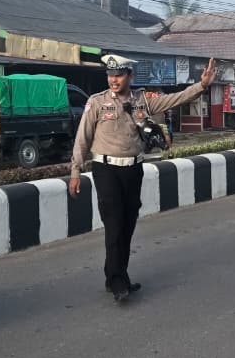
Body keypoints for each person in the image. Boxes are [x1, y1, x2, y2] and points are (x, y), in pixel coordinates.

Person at [69, 54, 218, 302]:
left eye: (119, 75)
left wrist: (201, 85)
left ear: (130, 76)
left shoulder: (142, 101)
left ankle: (116, 274)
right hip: (106, 169)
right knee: (114, 224)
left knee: (128, 225)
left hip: (133, 169)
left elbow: (175, 99)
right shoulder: (97, 102)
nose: (113, 80)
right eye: (110, 75)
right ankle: (118, 281)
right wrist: (75, 171)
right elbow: (82, 138)